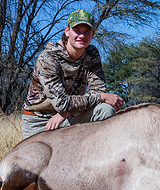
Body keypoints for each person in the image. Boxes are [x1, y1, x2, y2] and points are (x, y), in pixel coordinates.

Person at [22, 9, 123, 139]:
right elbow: (62, 103)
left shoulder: (92, 54)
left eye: (87, 32)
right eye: (77, 30)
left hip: (71, 114)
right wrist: (102, 97)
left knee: (105, 110)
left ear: (93, 34)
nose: (82, 36)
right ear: (67, 31)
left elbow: (97, 90)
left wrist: (64, 114)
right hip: (39, 120)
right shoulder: (48, 58)